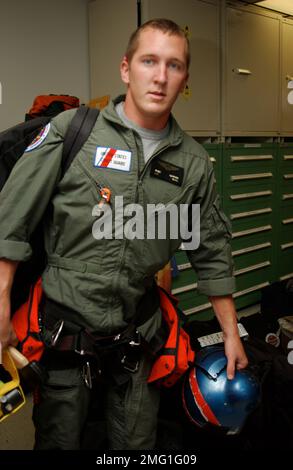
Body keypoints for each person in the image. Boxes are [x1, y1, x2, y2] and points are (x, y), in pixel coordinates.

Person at [0, 18, 247, 450]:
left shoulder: (192, 164)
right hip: (63, 332)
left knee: (137, 447)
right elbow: (12, 222)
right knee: (58, 441)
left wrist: (230, 333)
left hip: (138, 338)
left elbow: (210, 251)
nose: (160, 76)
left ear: (184, 79)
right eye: (149, 61)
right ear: (126, 68)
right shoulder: (72, 132)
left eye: (174, 65)